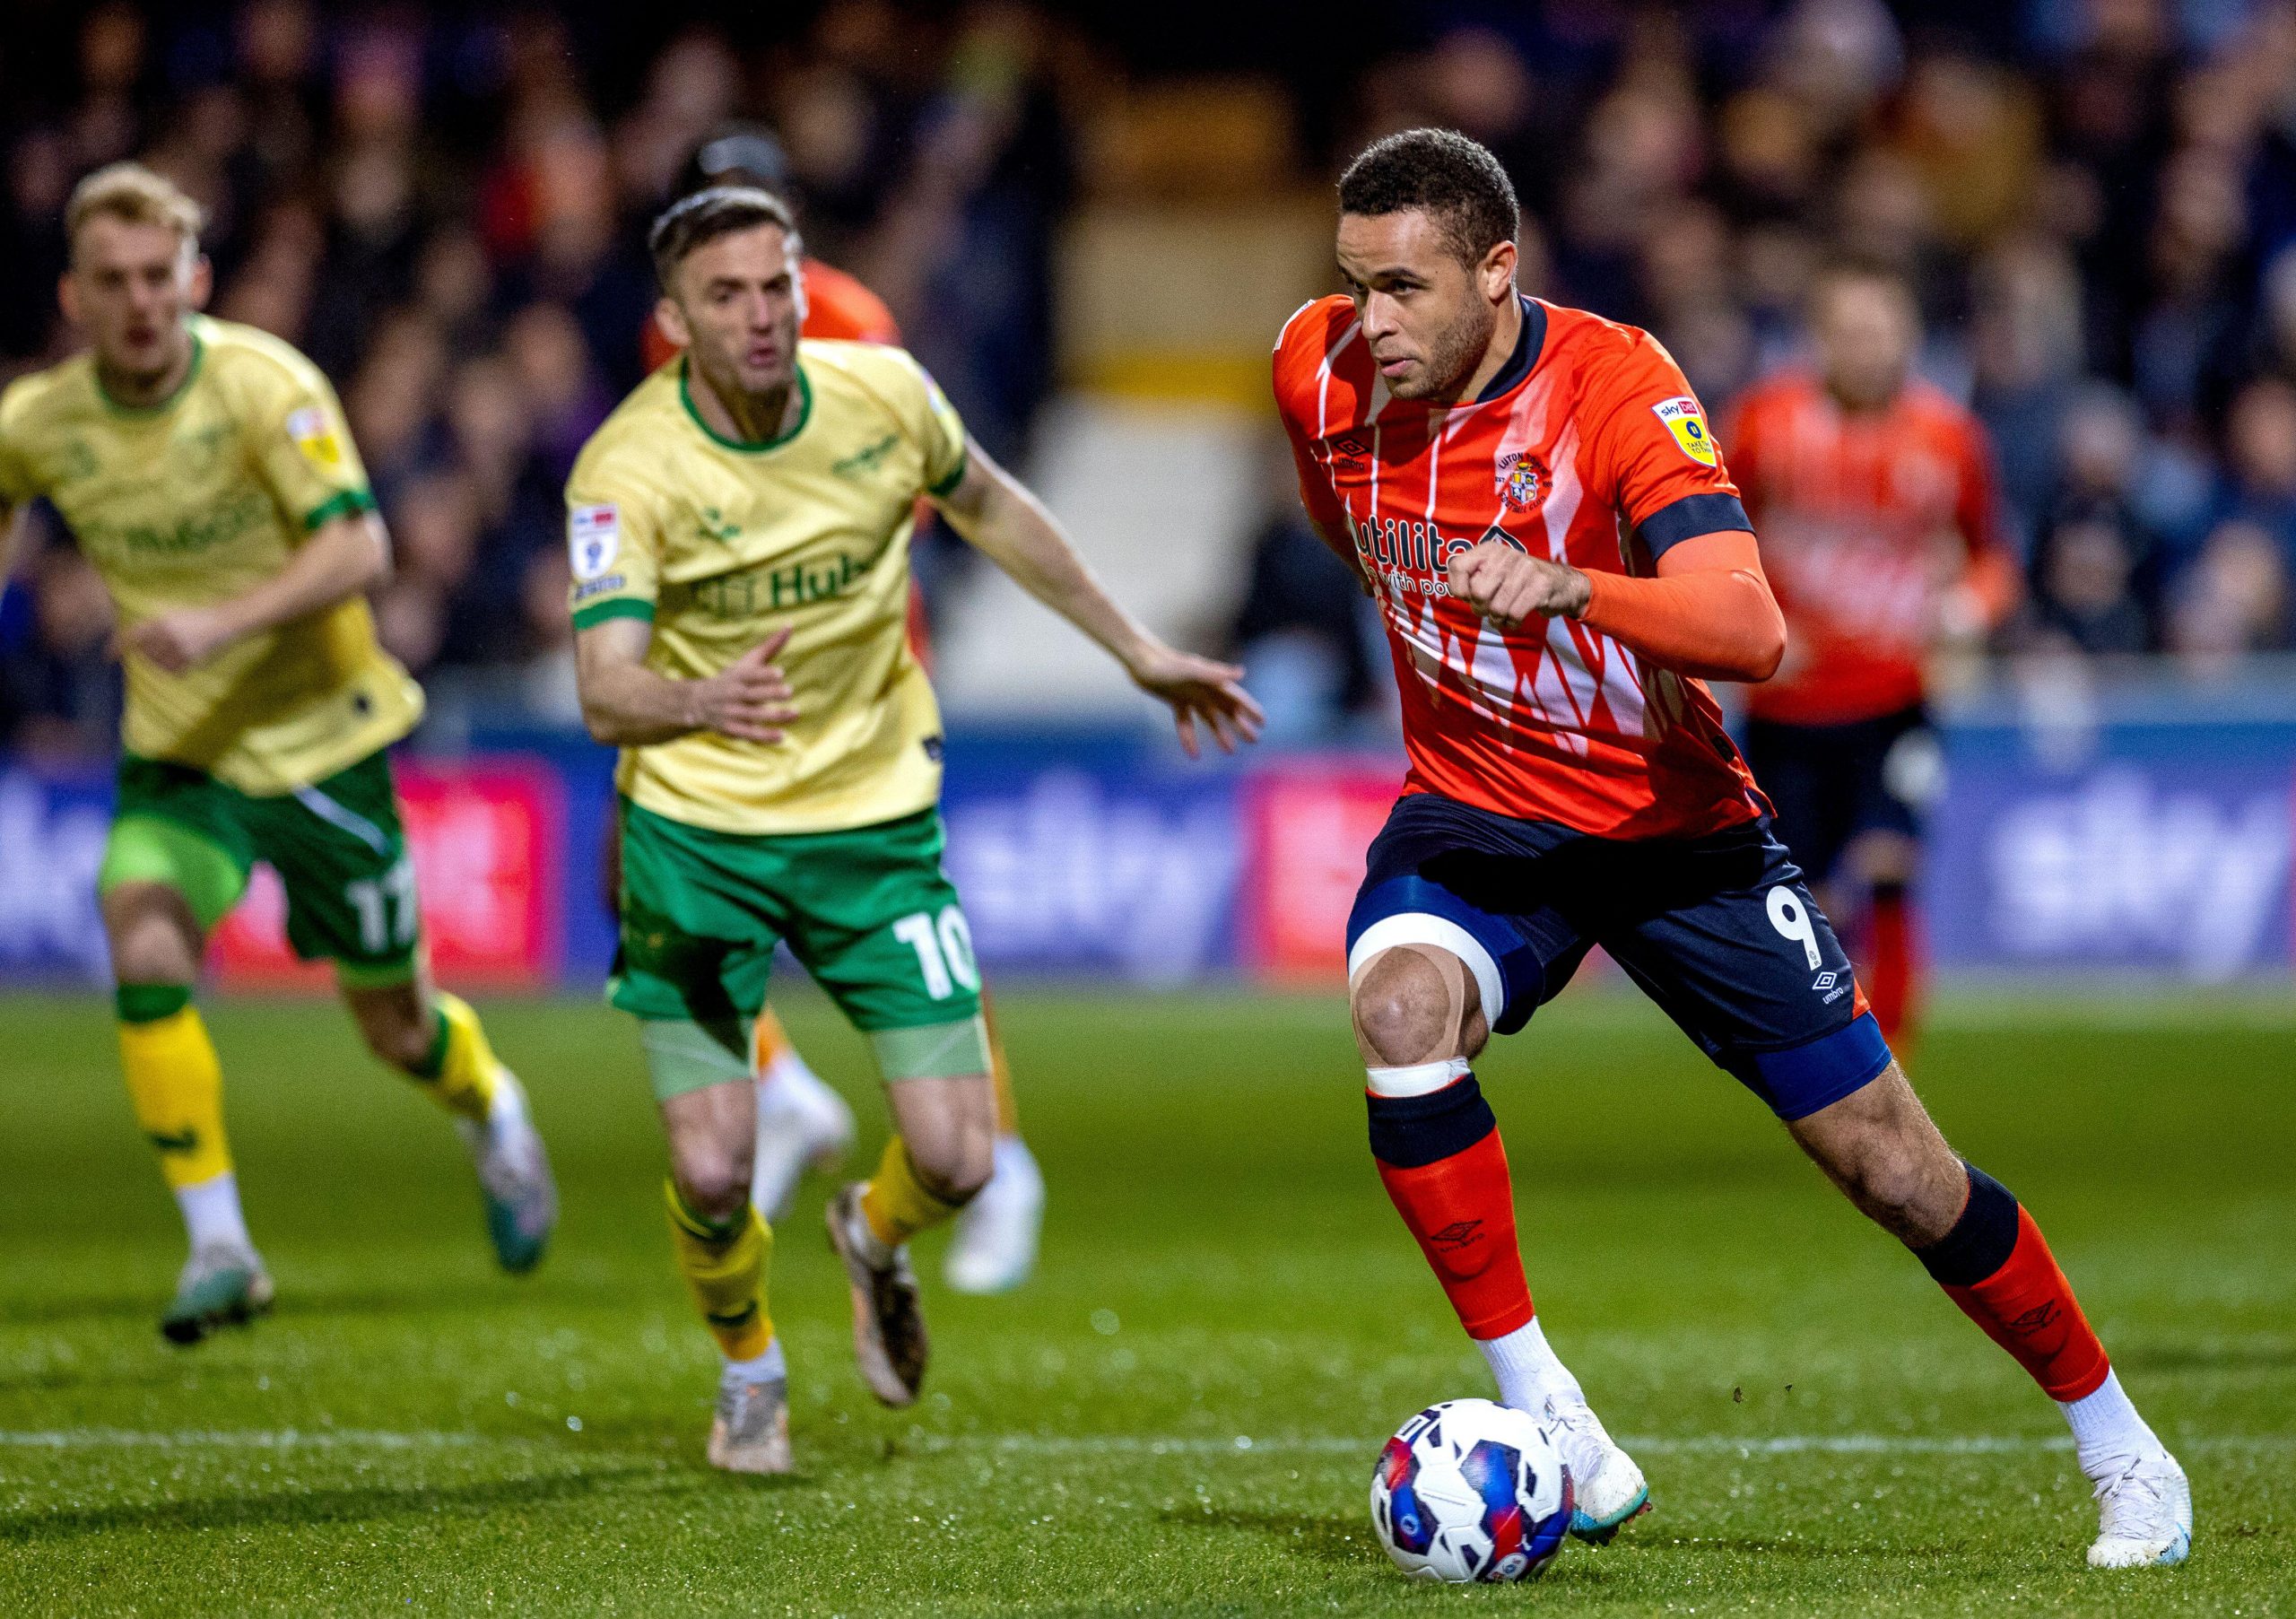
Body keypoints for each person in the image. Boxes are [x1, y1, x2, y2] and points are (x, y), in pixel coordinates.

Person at [1271, 129, 2188, 1571]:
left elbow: (1751, 624)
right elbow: (1351, 527)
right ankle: (1550, 1412)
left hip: (1671, 829)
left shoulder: (1617, 385)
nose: (1367, 322)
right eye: (1352, 284)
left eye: (1403, 288)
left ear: (1498, 274)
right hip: (1475, 810)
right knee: (1398, 1014)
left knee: (1894, 1167)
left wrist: (1574, 587)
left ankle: (2123, 1446)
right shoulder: (1316, 370)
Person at [567, 186, 1259, 1474]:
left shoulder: (883, 396)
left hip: (871, 827)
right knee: (714, 1174)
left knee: (960, 1155)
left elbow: (992, 505)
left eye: (776, 284)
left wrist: (1138, 651)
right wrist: (694, 699)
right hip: (699, 836)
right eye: (727, 295)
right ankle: (750, 1370)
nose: (764, 315)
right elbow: (604, 686)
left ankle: (870, 1237)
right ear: (673, 321)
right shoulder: (625, 468)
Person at [0, 164, 557, 1345]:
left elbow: (361, 549)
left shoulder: (264, 385)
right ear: (76, 296)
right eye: (115, 281)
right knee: (138, 928)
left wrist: (216, 622)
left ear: (196, 281)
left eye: (161, 277)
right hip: (180, 750)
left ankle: (491, 1106)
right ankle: (220, 1243)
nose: (142, 301)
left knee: (396, 1030)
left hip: (322, 746)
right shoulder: (41, 424)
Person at [642, 126, 1048, 1294]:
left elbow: (902, 496)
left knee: (903, 919)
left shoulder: (855, 323)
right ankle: (783, 1094)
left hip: (856, 674)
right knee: (654, 882)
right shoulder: (665, 333)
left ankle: (997, 1157)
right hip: (732, 668)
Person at [1725, 259, 2020, 1051]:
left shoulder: (1950, 438)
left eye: (1881, 329)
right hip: (1791, 702)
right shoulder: (1765, 425)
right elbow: (1711, 537)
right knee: (1809, 895)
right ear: (1817, 340)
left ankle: (1896, 1048)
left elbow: (1993, 554)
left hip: (1896, 694)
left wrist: (1966, 609)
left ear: (1910, 336)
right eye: (1848, 331)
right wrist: (1751, 629)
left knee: (1892, 860)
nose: (1866, 347)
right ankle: (1834, 1043)